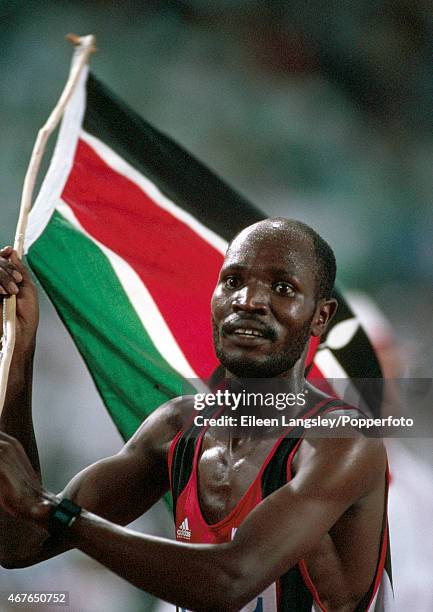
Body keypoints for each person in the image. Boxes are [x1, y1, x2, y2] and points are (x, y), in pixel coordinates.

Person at [0, 218, 393, 611]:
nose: (248, 301)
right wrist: (18, 350)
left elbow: (230, 580)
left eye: (282, 288)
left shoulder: (341, 441)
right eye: (233, 282)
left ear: (320, 317)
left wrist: (48, 507)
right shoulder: (176, 429)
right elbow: (20, 543)